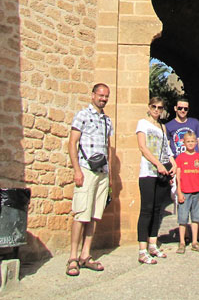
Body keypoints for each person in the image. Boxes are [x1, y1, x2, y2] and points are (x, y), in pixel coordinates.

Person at [66, 83, 113, 276]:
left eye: (106, 96)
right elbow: (72, 142)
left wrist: (110, 174)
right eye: (100, 95)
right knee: (81, 214)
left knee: (94, 215)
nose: (103, 98)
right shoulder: (82, 115)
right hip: (86, 170)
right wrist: (77, 170)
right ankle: (72, 257)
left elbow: (108, 147)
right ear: (93, 95)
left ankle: (86, 254)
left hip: (102, 172)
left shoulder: (107, 120)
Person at [166, 97, 199, 244]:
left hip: (195, 165)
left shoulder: (194, 123)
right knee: (180, 199)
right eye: (180, 108)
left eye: (185, 108)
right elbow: (167, 147)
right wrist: (172, 165)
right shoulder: (169, 126)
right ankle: (186, 233)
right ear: (175, 108)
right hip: (180, 167)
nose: (182, 111)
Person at [136, 96, 177, 264]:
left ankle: (153, 244)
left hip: (162, 173)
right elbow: (142, 147)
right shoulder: (142, 123)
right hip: (148, 172)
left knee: (157, 209)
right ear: (149, 106)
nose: (157, 110)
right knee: (146, 209)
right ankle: (142, 249)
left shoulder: (162, 127)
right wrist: (158, 164)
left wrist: (173, 164)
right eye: (154, 106)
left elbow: (166, 148)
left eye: (160, 107)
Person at [175, 132, 199, 254]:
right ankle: (182, 241)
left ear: (196, 143)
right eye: (188, 141)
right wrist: (179, 191)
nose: (190, 143)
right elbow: (178, 175)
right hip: (185, 191)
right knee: (183, 219)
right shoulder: (180, 158)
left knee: (196, 218)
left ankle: (194, 241)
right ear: (184, 143)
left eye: (192, 141)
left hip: (197, 191)